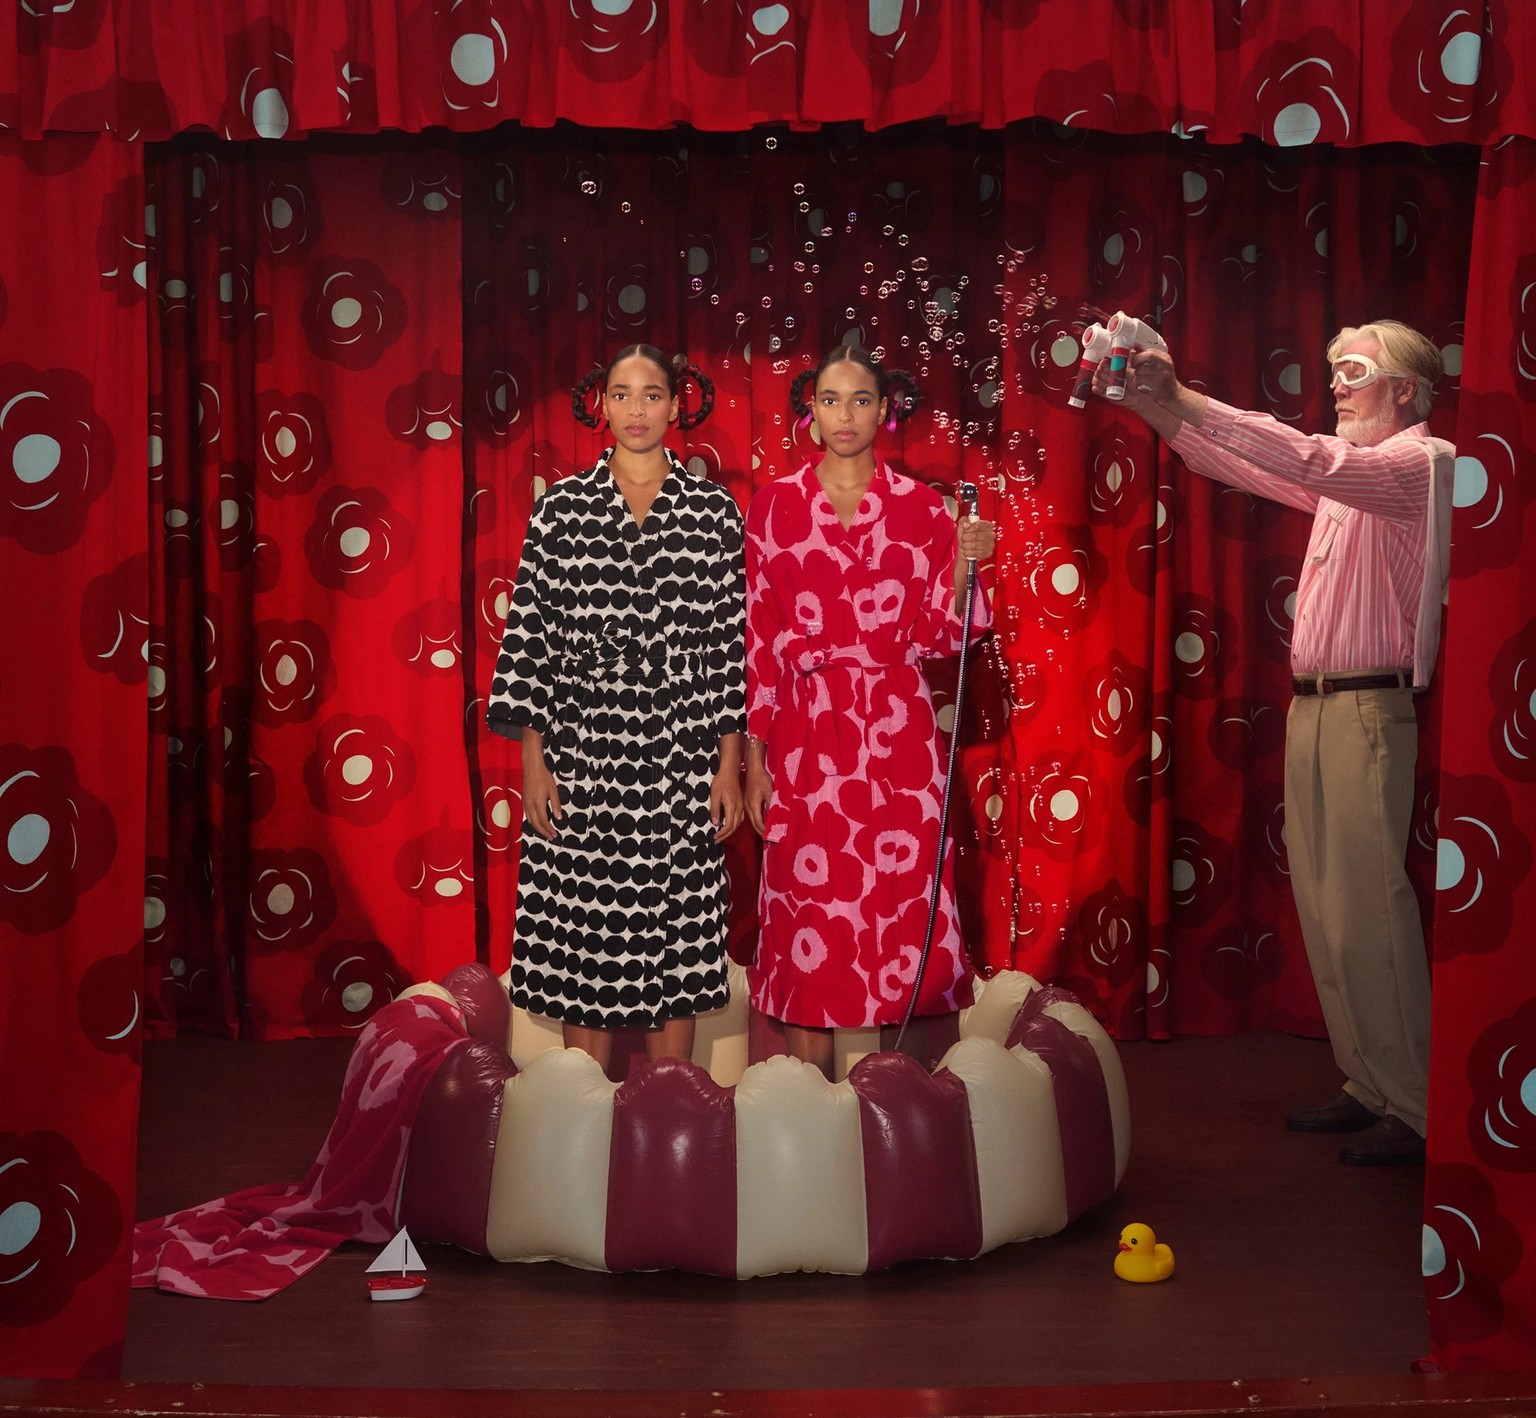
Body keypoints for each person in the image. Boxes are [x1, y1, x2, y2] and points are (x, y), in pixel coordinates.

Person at [1094, 318, 1454, 1166]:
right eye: (1334, 369)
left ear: (1406, 389)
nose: (1337, 383)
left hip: (1368, 709)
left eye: (1355, 370)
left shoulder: (1418, 464)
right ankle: (1371, 1084)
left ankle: (1416, 1104)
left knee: (1369, 907)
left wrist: (1178, 393)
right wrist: (1155, 406)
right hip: (1317, 709)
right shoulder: (1356, 480)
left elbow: (1308, 460)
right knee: (1330, 910)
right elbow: (1239, 461)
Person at [486, 344, 746, 1075]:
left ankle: (675, 1119)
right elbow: (532, 636)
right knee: (585, 946)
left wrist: (730, 762)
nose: (637, 409)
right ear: (599, 405)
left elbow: (729, 642)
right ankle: (584, 1126)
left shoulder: (711, 510)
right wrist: (534, 761)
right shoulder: (562, 509)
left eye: (652, 393)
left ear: (677, 404)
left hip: (683, 750)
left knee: (681, 949)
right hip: (584, 749)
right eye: (623, 394)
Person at [743, 345, 995, 1078]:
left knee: (907, 906)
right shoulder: (775, 504)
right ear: (810, 413)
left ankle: (905, 1107)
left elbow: (949, 636)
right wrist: (753, 759)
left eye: (860, 400)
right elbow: (758, 641)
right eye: (829, 400)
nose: (844, 415)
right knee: (808, 915)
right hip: (805, 735)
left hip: (899, 731)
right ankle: (810, 1111)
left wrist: (963, 567)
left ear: (886, 410)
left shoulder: (923, 507)